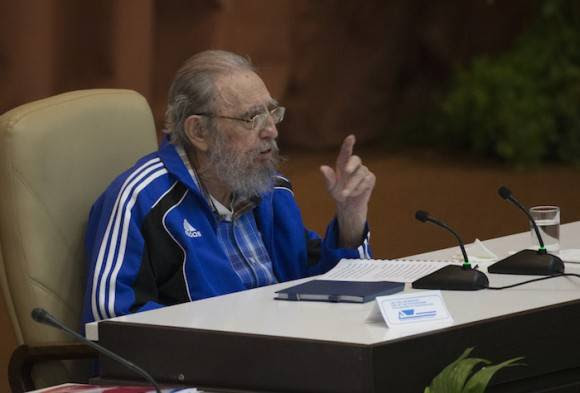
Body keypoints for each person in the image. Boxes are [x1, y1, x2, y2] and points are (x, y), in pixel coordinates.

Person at [81, 50, 376, 324]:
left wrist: (350, 222)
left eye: (272, 113)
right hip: (201, 371)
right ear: (198, 132)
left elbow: (328, 290)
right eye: (252, 118)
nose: (271, 130)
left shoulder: (271, 190)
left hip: (283, 355)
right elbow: (111, 319)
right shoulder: (141, 199)